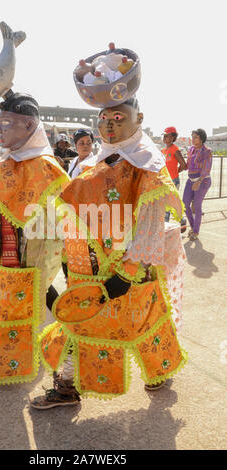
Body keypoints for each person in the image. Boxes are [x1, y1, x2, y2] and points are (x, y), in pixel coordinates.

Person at [30, 91, 187, 409]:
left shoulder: (148, 164)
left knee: (144, 322)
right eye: (103, 119)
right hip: (89, 269)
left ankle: (156, 375)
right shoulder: (99, 160)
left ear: (138, 120)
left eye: (119, 118)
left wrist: (127, 272)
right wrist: (66, 255)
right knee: (80, 324)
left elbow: (150, 224)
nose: (109, 126)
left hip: (128, 272)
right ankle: (68, 386)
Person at [0, 92, 70, 386]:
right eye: (0, 122)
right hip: (0, 260)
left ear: (30, 126)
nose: (0, 129)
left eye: (7, 122)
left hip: (33, 259)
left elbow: (65, 218)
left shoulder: (48, 169)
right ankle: (55, 344)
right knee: (20, 309)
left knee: (12, 310)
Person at [182, 129, 212, 241]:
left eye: (195, 137)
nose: (193, 139)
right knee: (185, 204)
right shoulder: (191, 149)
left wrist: (199, 181)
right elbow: (188, 165)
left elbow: (207, 168)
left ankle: (195, 231)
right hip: (190, 180)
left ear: (201, 138)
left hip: (203, 181)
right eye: (192, 137)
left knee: (197, 206)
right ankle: (193, 226)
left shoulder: (207, 151)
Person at [161, 127, 187, 231]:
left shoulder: (175, 150)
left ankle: (165, 228)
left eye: (166, 135)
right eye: (164, 135)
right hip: (164, 181)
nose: (164, 137)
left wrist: (175, 172)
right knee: (169, 204)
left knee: (168, 204)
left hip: (173, 181)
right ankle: (181, 220)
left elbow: (184, 165)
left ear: (172, 137)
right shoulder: (163, 150)